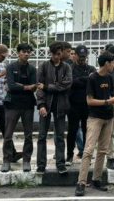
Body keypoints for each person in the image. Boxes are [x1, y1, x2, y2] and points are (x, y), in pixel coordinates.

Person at [74, 51, 114, 196]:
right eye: (113, 63)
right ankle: (81, 182)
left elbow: (112, 95)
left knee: (103, 150)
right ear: (106, 63)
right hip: (95, 118)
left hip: (109, 117)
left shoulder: (110, 77)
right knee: (88, 150)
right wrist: (108, 101)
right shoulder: (92, 78)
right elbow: (89, 101)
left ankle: (97, 179)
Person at [36, 41, 72, 174]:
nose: (57, 56)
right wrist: (41, 105)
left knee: (60, 136)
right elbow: (38, 87)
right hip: (45, 104)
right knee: (41, 136)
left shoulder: (67, 67)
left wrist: (48, 87)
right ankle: (41, 165)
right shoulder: (43, 66)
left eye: (59, 53)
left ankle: (61, 163)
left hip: (61, 106)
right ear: (51, 53)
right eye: (55, 54)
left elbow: (66, 85)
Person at [2, 43, 38, 172]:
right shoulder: (11, 67)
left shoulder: (32, 69)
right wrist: (26, 87)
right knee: (8, 134)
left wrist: (22, 86)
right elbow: (11, 86)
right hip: (12, 105)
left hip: (28, 105)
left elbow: (35, 85)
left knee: (28, 134)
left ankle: (26, 160)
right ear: (18, 53)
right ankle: (6, 160)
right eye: (24, 51)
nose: (26, 54)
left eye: (29, 52)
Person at [66, 44, 92, 167]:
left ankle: (86, 155)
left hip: (87, 105)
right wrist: (84, 80)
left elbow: (91, 83)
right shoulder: (69, 68)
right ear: (75, 55)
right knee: (72, 130)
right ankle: (69, 155)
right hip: (73, 104)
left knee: (88, 131)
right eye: (80, 56)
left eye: (84, 56)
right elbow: (71, 82)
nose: (82, 58)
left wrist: (79, 80)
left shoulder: (91, 69)